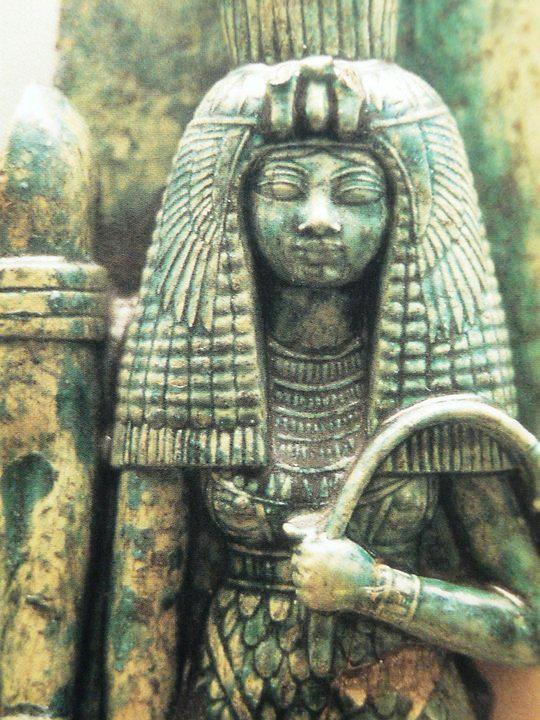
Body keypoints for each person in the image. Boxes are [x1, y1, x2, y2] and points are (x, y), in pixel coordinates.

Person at [108, 56, 539, 720]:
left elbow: (529, 623)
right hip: (233, 690)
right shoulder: (189, 380)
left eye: (355, 193)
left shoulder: (437, 392)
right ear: (233, 205)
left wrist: (376, 590)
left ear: (404, 211)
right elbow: (142, 613)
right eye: (284, 188)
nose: (317, 218)